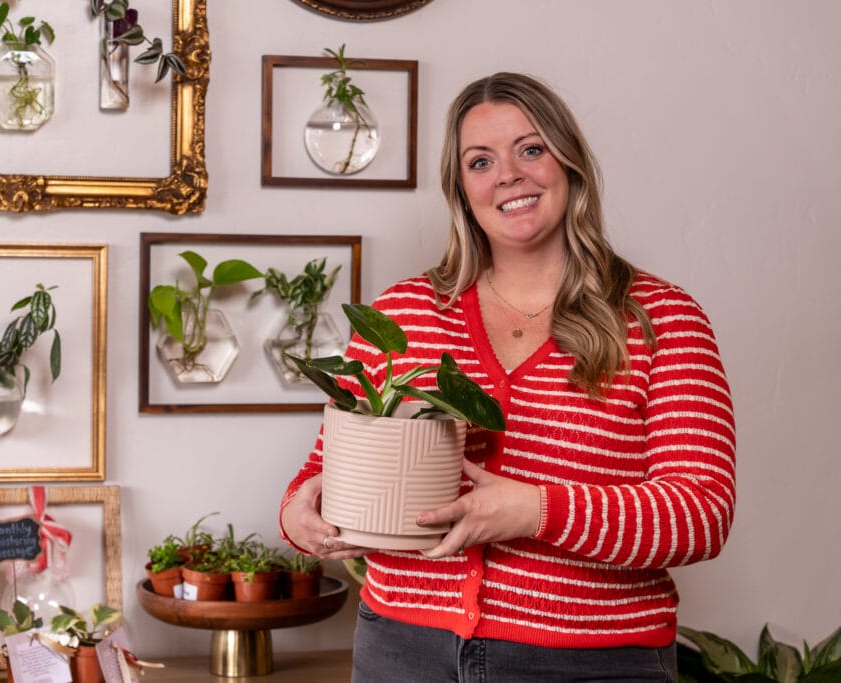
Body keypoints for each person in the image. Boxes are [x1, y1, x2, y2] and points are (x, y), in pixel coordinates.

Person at [279, 72, 736, 682]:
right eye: (481, 161)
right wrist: (298, 516)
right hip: (402, 651)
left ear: (569, 163)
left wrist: (534, 511)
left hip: (591, 662)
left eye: (530, 149)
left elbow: (701, 513)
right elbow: (321, 473)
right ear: (462, 189)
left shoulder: (660, 318)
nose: (508, 176)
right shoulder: (405, 313)